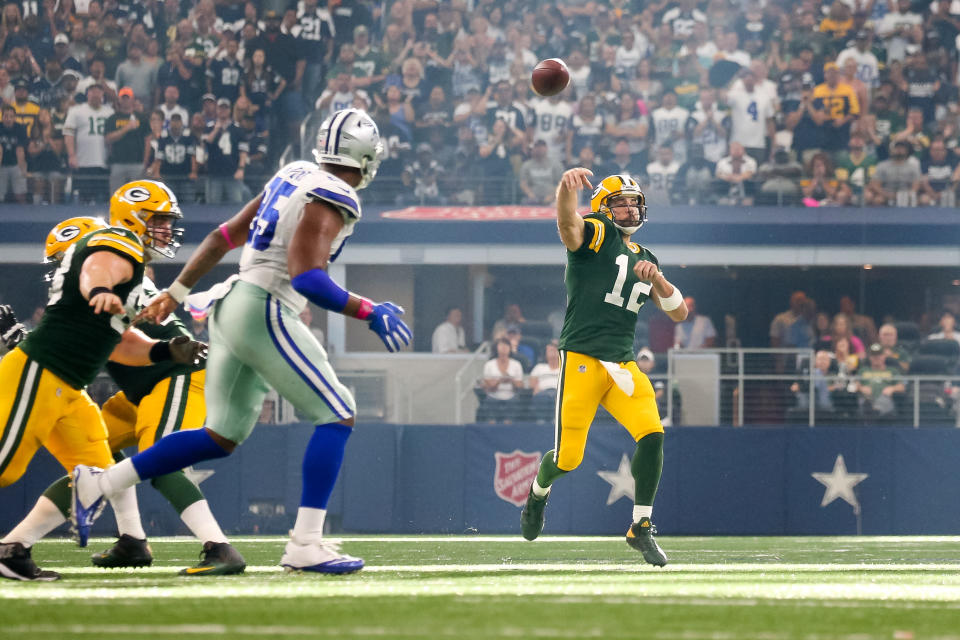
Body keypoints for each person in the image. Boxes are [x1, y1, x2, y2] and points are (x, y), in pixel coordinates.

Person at [73, 108, 410, 575]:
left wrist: (176, 293)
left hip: (230, 304)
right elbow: (307, 278)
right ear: (366, 157)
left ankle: (101, 483)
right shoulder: (333, 193)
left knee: (220, 436)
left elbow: (223, 235)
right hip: (264, 306)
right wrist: (369, 310)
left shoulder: (293, 173)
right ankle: (305, 544)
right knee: (337, 413)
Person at [0, 218, 242, 576]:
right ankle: (128, 540)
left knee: (129, 465)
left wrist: (164, 352)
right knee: (30, 469)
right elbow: (94, 318)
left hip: (155, 380)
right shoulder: (110, 276)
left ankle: (216, 548)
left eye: (63, 257)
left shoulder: (112, 253)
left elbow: (116, 332)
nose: (60, 267)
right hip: (86, 380)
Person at [520, 170, 689, 567]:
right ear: (602, 208)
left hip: (622, 362)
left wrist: (660, 281)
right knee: (568, 458)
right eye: (620, 202)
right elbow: (566, 224)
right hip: (582, 357)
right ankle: (537, 493)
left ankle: (640, 526)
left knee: (652, 434)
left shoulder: (647, 258)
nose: (629, 208)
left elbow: (679, 312)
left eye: (634, 202)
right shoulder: (597, 232)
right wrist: (565, 188)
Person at [479, 337, 524, 423]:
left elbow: (520, 385)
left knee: (515, 403)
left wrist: (511, 380)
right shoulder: (489, 365)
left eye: (506, 345)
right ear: (496, 348)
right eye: (501, 345)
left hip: (511, 396)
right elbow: (488, 386)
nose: (504, 347)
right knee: (488, 403)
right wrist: (499, 381)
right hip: (493, 396)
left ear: (510, 348)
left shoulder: (516, 364)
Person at [856, 343, 905, 419]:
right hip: (867, 397)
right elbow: (855, 385)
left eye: (879, 355)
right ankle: (870, 409)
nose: (876, 357)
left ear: (884, 356)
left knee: (884, 400)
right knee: (865, 400)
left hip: (885, 398)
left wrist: (892, 388)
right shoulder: (863, 370)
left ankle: (875, 411)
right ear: (869, 357)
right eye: (873, 355)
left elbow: (902, 387)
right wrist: (861, 388)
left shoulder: (892, 371)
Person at [529, 342, 561, 421]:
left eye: (555, 350)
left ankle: (556, 420)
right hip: (542, 393)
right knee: (542, 397)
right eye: (550, 350)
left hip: (558, 393)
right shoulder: (539, 367)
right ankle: (541, 420)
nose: (553, 352)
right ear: (545, 354)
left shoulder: (564, 368)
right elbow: (532, 384)